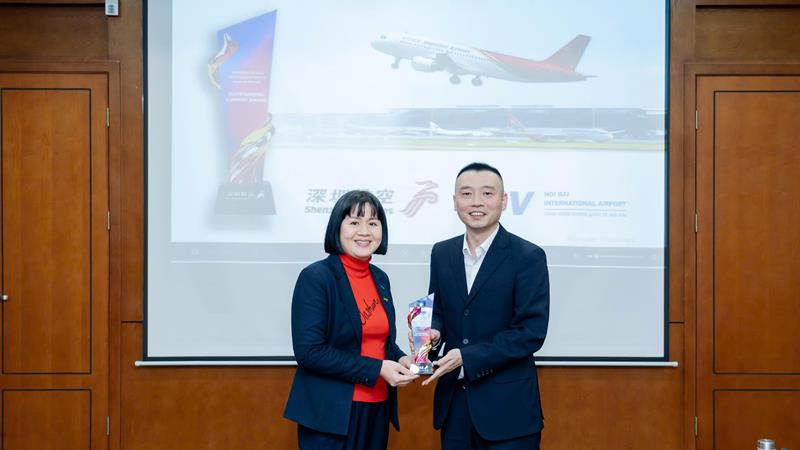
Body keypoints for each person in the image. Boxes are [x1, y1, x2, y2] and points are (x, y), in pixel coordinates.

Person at [422, 162, 550, 450]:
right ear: (454, 201)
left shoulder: (528, 256)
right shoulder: (442, 253)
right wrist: (432, 336)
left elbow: (530, 332)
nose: (476, 202)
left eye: (487, 194)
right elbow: (438, 312)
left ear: (503, 201)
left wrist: (466, 357)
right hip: (455, 407)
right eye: (466, 194)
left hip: (509, 411)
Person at [284, 190, 418, 450]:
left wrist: (402, 359)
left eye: (373, 223)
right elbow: (310, 352)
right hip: (331, 415)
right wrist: (378, 369)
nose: (364, 231)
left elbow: (381, 342)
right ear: (338, 227)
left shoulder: (380, 278)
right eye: (354, 222)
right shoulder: (316, 277)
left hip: (377, 409)